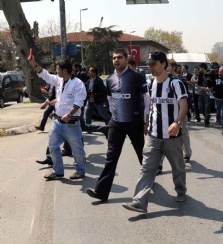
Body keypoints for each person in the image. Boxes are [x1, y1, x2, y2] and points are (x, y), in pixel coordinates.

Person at [122, 51, 188, 213]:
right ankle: (139, 201)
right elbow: (150, 106)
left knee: (177, 167)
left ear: (164, 64)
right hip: (153, 135)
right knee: (147, 167)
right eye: (149, 64)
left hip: (172, 136)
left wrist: (177, 122)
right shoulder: (151, 83)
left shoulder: (175, 83)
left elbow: (184, 106)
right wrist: (146, 122)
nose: (150, 67)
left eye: (154, 64)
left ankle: (181, 190)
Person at [86, 48, 149, 201]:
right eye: (114, 58)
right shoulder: (109, 79)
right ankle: (101, 192)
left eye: (119, 57)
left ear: (127, 60)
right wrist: (112, 117)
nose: (116, 60)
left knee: (143, 156)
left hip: (134, 123)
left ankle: (148, 184)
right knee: (111, 158)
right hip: (117, 124)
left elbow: (146, 99)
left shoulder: (137, 77)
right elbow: (110, 99)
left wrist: (146, 121)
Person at [28, 56, 87, 180]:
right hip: (57, 122)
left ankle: (80, 171)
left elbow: (79, 102)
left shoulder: (78, 84)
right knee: (53, 146)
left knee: (77, 150)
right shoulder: (59, 81)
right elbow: (44, 75)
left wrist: (69, 114)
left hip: (71, 123)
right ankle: (58, 171)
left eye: (57, 69)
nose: (56, 71)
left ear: (64, 71)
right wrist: (33, 63)